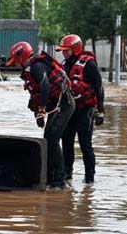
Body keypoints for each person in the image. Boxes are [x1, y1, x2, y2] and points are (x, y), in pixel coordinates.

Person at [8, 41, 75, 190]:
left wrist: (41, 109)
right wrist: (39, 115)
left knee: (51, 140)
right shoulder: (32, 67)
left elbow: (45, 85)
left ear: (20, 57)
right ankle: (52, 178)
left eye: (16, 61)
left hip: (64, 103)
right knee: (48, 139)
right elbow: (39, 93)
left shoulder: (36, 66)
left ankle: (59, 181)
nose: (17, 65)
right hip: (58, 104)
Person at [56, 34, 104, 185]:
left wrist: (100, 110)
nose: (64, 53)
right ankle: (67, 174)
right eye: (63, 51)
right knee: (67, 142)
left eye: (67, 50)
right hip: (70, 111)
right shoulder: (65, 65)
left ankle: (89, 178)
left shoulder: (88, 65)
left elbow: (99, 87)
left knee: (85, 145)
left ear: (75, 49)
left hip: (85, 110)